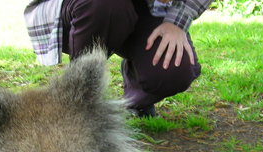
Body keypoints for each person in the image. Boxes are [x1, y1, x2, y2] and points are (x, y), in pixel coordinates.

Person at [24, 0, 213, 117]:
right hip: (86, 7)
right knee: (107, 5)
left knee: (173, 70)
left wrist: (177, 22)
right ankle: (78, 103)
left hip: (148, 9)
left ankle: (134, 98)